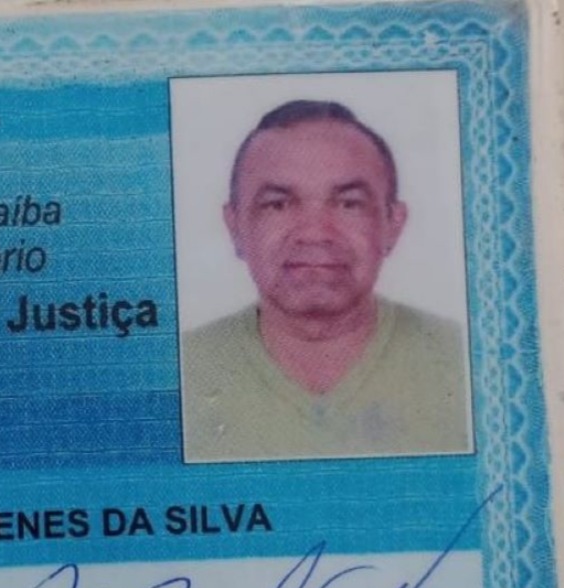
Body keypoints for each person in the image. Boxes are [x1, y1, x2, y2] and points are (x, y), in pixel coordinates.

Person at [181, 99, 470, 462]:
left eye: (349, 204)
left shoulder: (472, 363)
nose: (315, 233)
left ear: (392, 225)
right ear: (235, 227)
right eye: (278, 204)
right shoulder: (174, 373)